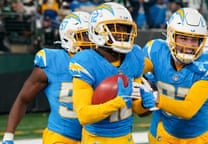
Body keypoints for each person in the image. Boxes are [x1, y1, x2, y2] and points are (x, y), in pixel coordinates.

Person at [2, 11, 95, 144]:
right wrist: (8, 136)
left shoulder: (102, 60)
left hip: (94, 137)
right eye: (85, 35)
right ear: (69, 37)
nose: (92, 40)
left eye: (93, 35)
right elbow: (23, 99)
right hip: (61, 137)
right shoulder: (52, 62)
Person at [69, 2, 155, 144]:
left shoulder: (135, 57)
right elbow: (84, 115)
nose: (121, 34)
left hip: (125, 137)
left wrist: (145, 105)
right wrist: (118, 102)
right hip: (96, 139)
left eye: (124, 28)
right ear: (96, 30)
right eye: (114, 28)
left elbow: (136, 108)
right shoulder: (86, 61)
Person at [142, 8, 208, 144]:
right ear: (171, 35)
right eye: (183, 38)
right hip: (165, 130)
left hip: (196, 137)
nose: (189, 46)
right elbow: (138, 70)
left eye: (195, 40)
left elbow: (191, 110)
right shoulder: (156, 51)